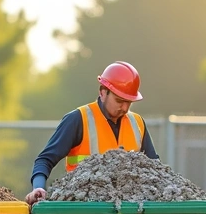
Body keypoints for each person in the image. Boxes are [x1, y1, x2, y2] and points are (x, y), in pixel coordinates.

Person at [25, 61, 158, 205]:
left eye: (129, 102)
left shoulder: (137, 123)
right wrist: (38, 187)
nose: (125, 107)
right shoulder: (78, 119)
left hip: (132, 211)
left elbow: (156, 169)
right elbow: (45, 159)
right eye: (119, 100)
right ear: (102, 92)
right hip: (84, 208)